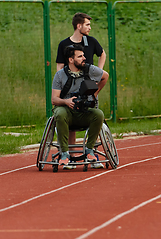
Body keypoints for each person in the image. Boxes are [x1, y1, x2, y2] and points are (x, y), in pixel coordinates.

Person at [56, 12, 107, 168]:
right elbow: (59, 66)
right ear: (79, 26)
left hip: (88, 89)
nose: (90, 28)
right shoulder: (64, 44)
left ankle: (92, 155)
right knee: (69, 123)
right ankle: (69, 157)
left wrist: (98, 73)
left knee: (95, 120)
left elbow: (102, 54)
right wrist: (61, 81)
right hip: (69, 88)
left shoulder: (91, 42)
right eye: (87, 25)